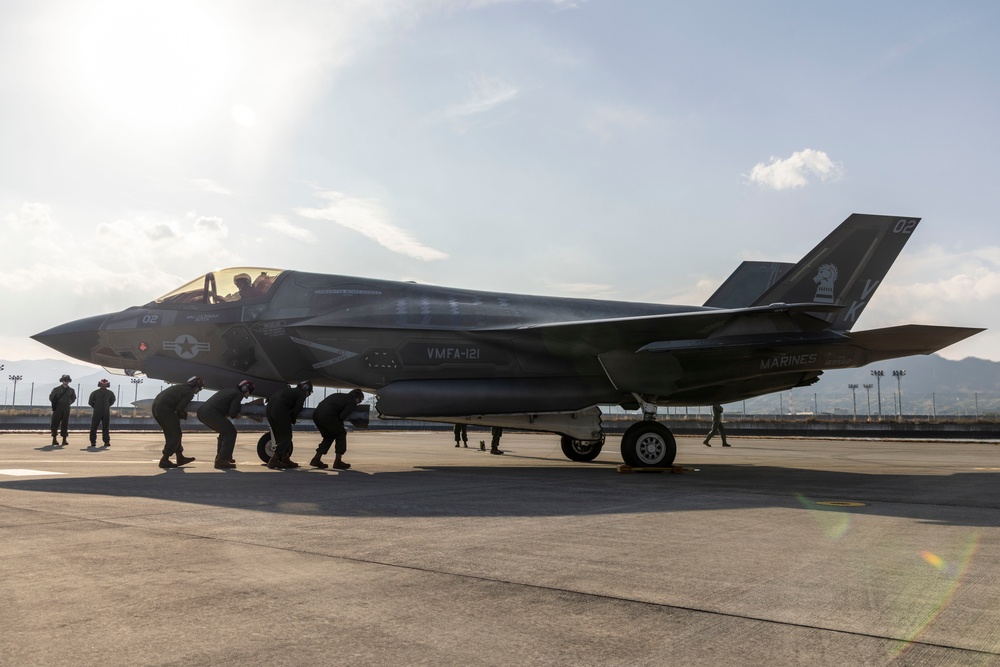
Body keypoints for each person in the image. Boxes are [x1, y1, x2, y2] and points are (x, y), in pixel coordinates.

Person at [197, 379, 255, 469]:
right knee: (231, 432)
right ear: (246, 389)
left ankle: (222, 457)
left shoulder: (230, 391)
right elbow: (232, 412)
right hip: (211, 413)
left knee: (224, 432)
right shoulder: (238, 394)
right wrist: (237, 415)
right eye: (250, 391)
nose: (249, 394)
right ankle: (222, 460)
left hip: (202, 413)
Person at [152, 376, 204, 468]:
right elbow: (179, 408)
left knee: (173, 433)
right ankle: (164, 459)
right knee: (175, 435)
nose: (199, 390)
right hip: (166, 410)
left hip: (156, 408)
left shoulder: (180, 387)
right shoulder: (189, 392)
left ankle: (180, 457)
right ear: (196, 385)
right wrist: (183, 414)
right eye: (200, 387)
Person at [310, 388, 364, 469]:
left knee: (328, 437)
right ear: (357, 397)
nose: (358, 403)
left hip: (317, 415)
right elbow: (342, 416)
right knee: (341, 434)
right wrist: (340, 425)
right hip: (328, 416)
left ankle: (316, 459)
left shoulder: (340, 396)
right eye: (359, 401)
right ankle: (338, 461)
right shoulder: (352, 401)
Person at [265, 380, 313, 470]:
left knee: (280, 436)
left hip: (270, 410)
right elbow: (298, 408)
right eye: (309, 392)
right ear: (307, 389)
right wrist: (292, 419)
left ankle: (285, 458)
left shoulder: (289, 391)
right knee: (287, 437)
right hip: (280, 411)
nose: (307, 395)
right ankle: (274, 459)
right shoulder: (301, 393)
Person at [49, 374, 76, 447]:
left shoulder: (71, 390)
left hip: (66, 408)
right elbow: (51, 397)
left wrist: (68, 403)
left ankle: (64, 439)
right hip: (58, 408)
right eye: (64, 380)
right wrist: (56, 403)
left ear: (69, 381)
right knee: (55, 423)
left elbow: (73, 398)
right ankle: (54, 439)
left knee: (65, 423)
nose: (66, 382)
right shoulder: (56, 389)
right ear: (62, 381)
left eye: (67, 380)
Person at [88, 379, 116, 448]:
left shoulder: (110, 393)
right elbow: (90, 402)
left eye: (105, 384)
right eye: (102, 384)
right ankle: (93, 441)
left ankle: (106, 441)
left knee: (106, 427)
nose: (104, 385)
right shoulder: (94, 393)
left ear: (107, 385)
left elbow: (112, 401)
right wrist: (96, 407)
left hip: (106, 412)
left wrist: (107, 406)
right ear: (100, 384)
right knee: (94, 427)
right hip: (97, 412)